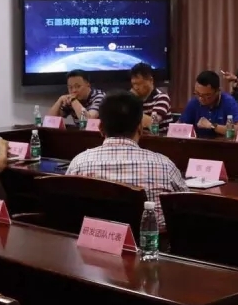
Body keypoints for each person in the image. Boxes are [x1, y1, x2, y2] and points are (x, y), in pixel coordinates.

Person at [66, 93, 186, 229]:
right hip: (150, 241)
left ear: (100, 128)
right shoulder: (165, 166)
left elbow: (67, 207)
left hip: (92, 239)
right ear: (140, 128)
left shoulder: (79, 163)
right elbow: (187, 205)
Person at [178, 71, 238, 137]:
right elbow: (180, 125)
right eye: (197, 93)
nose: (201, 98)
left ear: (218, 91)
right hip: (198, 142)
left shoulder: (228, 102)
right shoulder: (194, 102)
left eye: (207, 95)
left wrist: (212, 126)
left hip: (222, 143)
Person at [129, 63, 171, 130]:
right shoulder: (133, 98)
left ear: (151, 80)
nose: (136, 87)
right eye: (134, 84)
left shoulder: (162, 97)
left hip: (160, 136)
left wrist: (131, 109)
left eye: (139, 84)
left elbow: (153, 123)